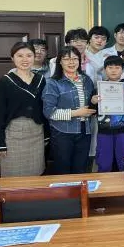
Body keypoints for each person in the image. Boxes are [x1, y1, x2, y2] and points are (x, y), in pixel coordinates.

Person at [0, 42, 47, 176]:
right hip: (14, 135)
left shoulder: (41, 80)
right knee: (13, 177)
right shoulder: (5, 81)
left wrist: (47, 134)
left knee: (36, 175)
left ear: (34, 57)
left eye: (29, 55)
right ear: (12, 58)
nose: (25, 59)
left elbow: (44, 108)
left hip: (37, 133)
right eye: (20, 56)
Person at [43, 46, 95, 174]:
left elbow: (89, 106)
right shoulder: (53, 83)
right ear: (60, 62)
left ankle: (79, 188)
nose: (71, 62)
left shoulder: (86, 80)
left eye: (75, 59)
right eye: (66, 59)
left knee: (81, 169)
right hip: (62, 132)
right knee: (63, 169)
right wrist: (76, 113)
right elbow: (48, 112)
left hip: (85, 130)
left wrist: (94, 102)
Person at [90, 56, 124, 172]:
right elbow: (93, 110)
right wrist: (93, 102)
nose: (113, 70)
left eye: (117, 68)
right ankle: (103, 184)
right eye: (110, 67)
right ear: (105, 70)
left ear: (123, 70)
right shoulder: (99, 87)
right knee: (104, 162)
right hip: (104, 131)